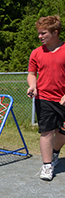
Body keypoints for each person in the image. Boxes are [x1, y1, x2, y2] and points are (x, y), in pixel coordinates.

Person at [27, 15, 65, 181]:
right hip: (44, 98)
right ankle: (47, 165)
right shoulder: (36, 52)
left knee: (63, 132)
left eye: (43, 33)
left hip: (63, 99)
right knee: (46, 132)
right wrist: (33, 85)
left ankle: (55, 153)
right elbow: (31, 74)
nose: (39, 36)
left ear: (55, 33)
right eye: (39, 33)